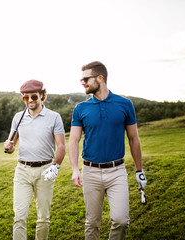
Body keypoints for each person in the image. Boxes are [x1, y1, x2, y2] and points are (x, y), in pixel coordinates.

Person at [68, 61, 147, 240]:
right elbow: (73, 140)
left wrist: (139, 170)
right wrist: (75, 169)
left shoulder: (125, 104)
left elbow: (134, 139)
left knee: (121, 221)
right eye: (81, 80)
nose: (83, 83)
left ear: (100, 78)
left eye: (85, 79)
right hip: (90, 172)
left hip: (117, 171)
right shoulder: (80, 108)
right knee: (92, 223)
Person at [4, 80, 66, 240]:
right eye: (26, 98)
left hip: (45, 170)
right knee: (19, 217)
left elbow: (61, 146)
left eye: (33, 96)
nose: (30, 100)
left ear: (42, 96)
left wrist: (56, 166)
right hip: (22, 171)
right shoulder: (18, 117)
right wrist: (9, 146)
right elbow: (11, 148)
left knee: (43, 218)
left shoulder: (54, 117)